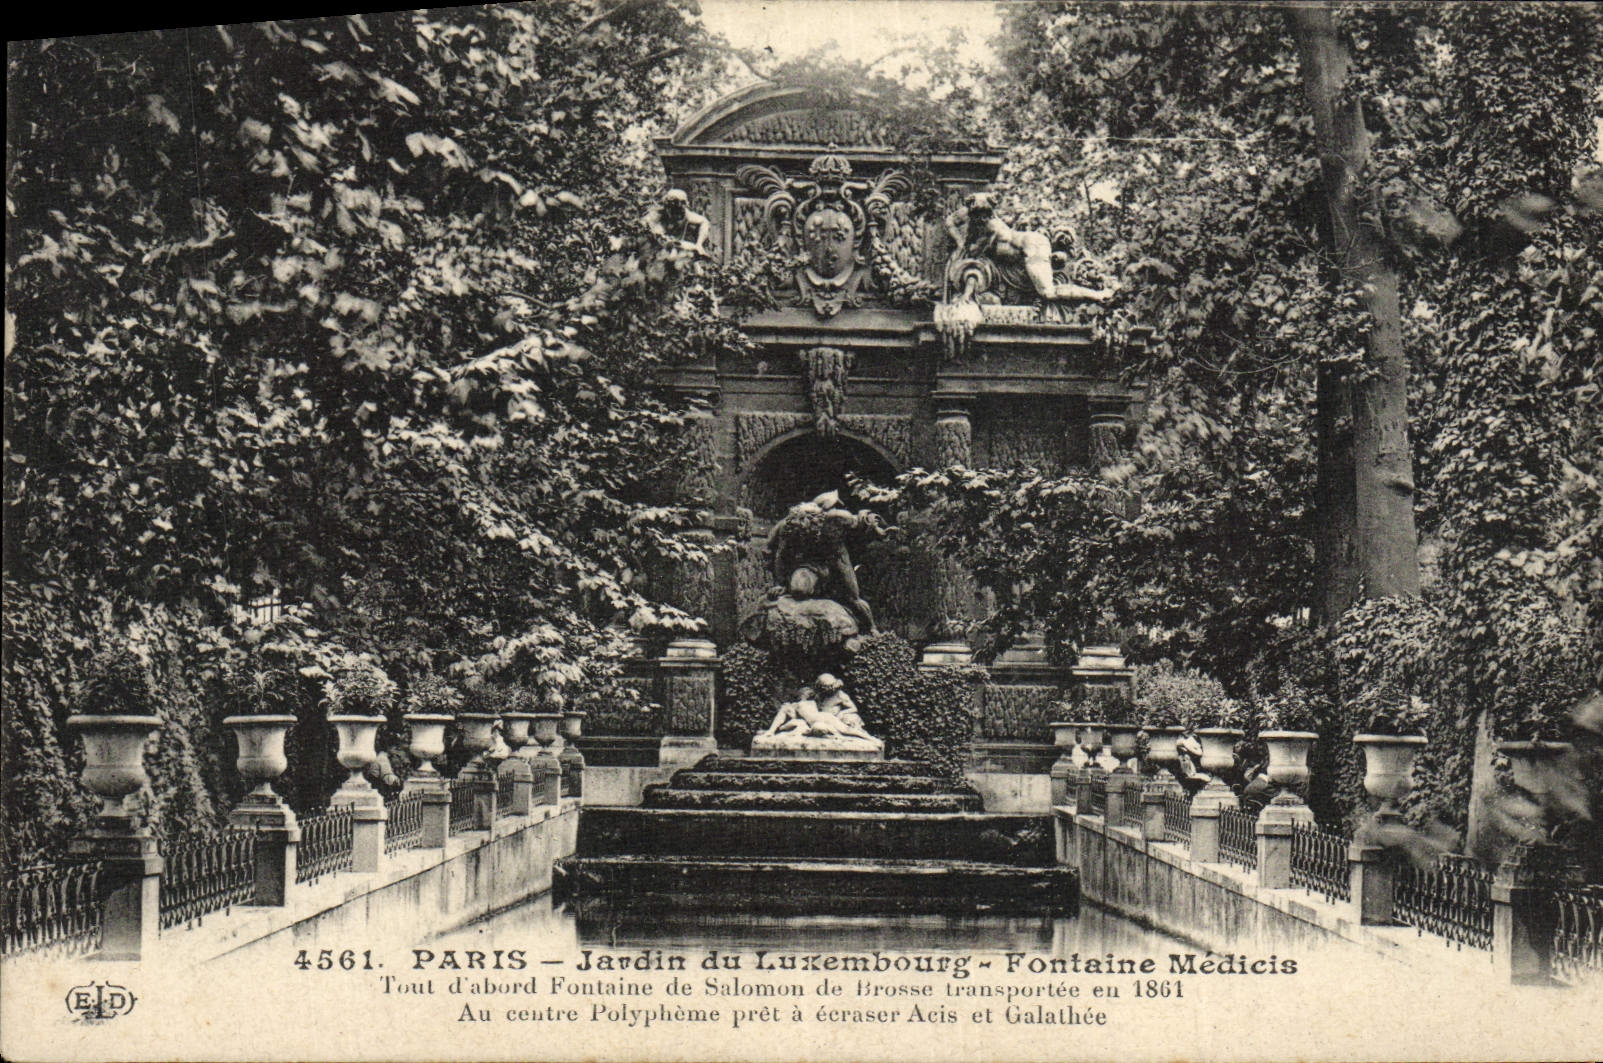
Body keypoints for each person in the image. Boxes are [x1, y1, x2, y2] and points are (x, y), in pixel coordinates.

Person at [946, 192, 1117, 304]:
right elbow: (950, 222)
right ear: (971, 211)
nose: (982, 218)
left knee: (1048, 292)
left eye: (986, 214)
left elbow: (973, 253)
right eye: (977, 214)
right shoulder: (972, 216)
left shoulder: (991, 227)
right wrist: (960, 241)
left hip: (1032, 246)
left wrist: (962, 247)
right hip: (1022, 251)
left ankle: (1099, 295)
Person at [643, 188, 711, 255]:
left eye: (680, 210)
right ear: (667, 207)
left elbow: (704, 222)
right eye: (674, 210)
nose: (677, 215)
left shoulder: (687, 215)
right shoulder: (658, 215)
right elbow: (647, 222)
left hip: (679, 248)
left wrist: (699, 244)